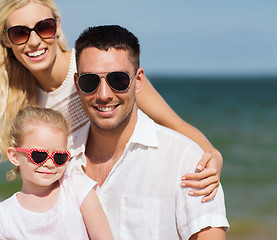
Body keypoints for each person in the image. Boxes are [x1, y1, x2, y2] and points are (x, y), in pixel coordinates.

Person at [0, 0, 221, 201]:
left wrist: (213, 155)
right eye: (19, 33)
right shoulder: (25, 104)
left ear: (57, 27)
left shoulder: (98, 69)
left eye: (44, 27)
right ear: (6, 40)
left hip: (132, 196)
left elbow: (172, 123)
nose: (34, 41)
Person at [69, 25, 229, 239]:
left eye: (118, 80)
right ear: (78, 85)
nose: (104, 94)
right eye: (90, 82)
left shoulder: (186, 160)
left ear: (139, 81)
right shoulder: (61, 160)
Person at [0, 105, 114, 240]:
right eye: (39, 155)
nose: (49, 164)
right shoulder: (4, 215)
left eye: (59, 157)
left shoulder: (77, 188)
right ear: (15, 156)